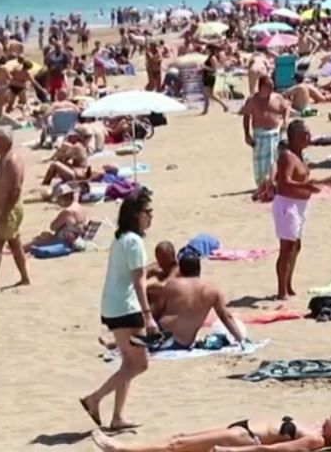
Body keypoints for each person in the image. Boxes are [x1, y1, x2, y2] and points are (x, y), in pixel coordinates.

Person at [80, 189, 155, 432]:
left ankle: (118, 417)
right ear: (136, 215)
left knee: (127, 364)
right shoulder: (133, 241)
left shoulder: (121, 238)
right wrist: (148, 316)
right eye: (147, 212)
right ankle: (95, 398)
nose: (150, 217)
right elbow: (139, 282)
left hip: (114, 306)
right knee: (139, 365)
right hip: (127, 310)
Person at [273, 120, 331, 299]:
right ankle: (281, 290)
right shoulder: (287, 156)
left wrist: (322, 182)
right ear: (294, 137)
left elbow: (301, 181)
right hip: (287, 204)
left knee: (296, 246)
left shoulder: (299, 155)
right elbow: (284, 182)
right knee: (286, 247)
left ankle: (288, 284)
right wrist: (307, 186)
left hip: (299, 204)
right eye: (305, 134)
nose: (309, 137)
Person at [90, 412, 331, 452]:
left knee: (179, 446)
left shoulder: (316, 439)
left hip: (245, 438)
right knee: (180, 438)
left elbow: (272, 450)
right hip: (242, 426)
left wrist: (233, 451)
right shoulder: (316, 427)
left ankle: (120, 449)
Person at [135, 254, 246, 350]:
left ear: (181, 269)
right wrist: (241, 339)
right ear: (199, 268)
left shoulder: (172, 285)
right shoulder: (212, 290)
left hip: (162, 337)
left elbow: (156, 311)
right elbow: (226, 317)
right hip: (183, 343)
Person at [0, 126, 30, 293]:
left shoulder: (13, 160)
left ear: (3, 141)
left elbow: (16, 188)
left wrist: (5, 211)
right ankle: (25, 278)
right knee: (15, 243)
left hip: (10, 209)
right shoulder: (3, 158)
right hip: (2, 208)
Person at [242, 75, 290, 187]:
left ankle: (273, 182)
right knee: (260, 161)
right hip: (260, 134)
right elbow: (246, 116)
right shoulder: (253, 100)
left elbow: (286, 108)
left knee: (275, 160)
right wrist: (247, 134)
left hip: (275, 133)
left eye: (272, 86)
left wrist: (285, 121)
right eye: (269, 86)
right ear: (261, 87)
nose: (271, 88)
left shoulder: (277, 98)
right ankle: (261, 184)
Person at [24, 184, 88, 251]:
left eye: (58, 199)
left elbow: (53, 227)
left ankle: (18, 250)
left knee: (38, 240)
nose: (57, 202)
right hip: (79, 236)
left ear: (62, 198)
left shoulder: (67, 211)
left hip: (68, 240)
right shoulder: (78, 206)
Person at [202, 44, 229, 114]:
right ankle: (205, 110)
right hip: (207, 77)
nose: (205, 50)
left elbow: (214, 69)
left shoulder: (212, 58)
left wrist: (204, 67)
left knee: (210, 94)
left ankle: (224, 105)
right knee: (206, 94)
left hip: (210, 77)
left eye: (207, 49)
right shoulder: (209, 57)